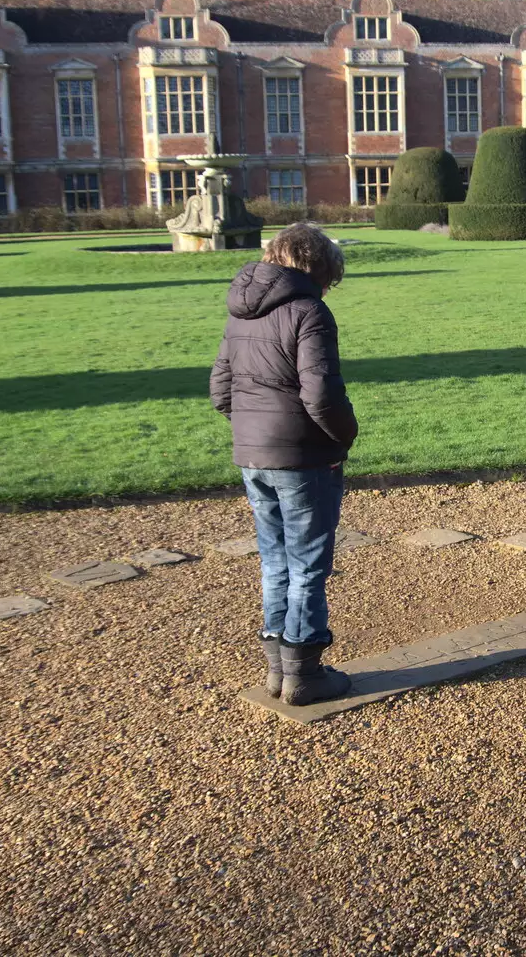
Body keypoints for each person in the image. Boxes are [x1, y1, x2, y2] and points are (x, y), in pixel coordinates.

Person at [209, 223, 360, 707]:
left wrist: (254, 429)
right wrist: (344, 437)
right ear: (320, 267)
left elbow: (220, 391)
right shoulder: (309, 311)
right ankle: (304, 674)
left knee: (275, 561)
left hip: (251, 454)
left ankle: (279, 671)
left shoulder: (239, 314)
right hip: (303, 456)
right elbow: (321, 395)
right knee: (308, 565)